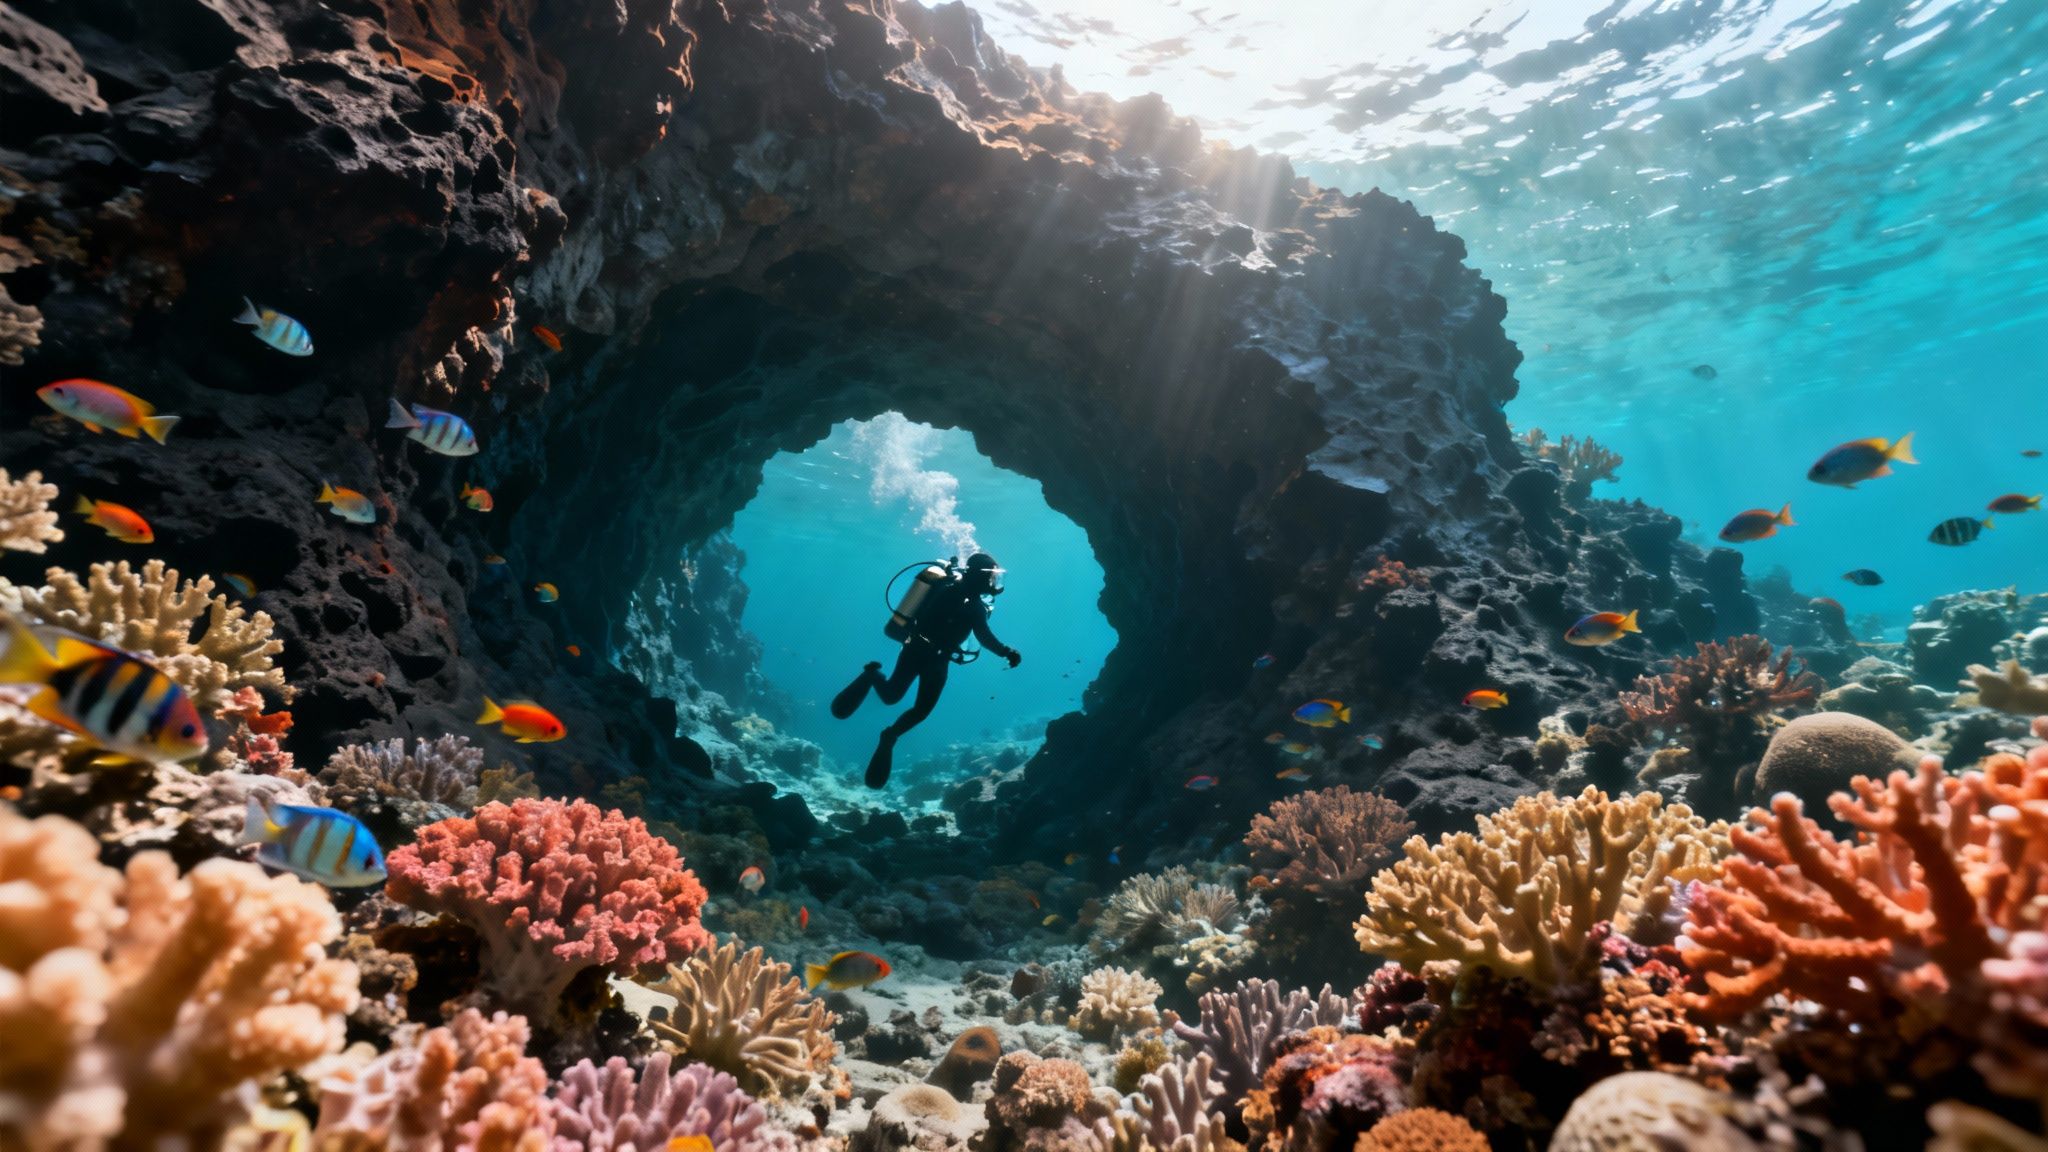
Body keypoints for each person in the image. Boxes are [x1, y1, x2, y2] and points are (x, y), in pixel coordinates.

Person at [832, 553, 1020, 788]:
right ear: (978, 577)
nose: (992, 583)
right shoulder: (974, 607)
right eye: (990, 577)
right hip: (936, 660)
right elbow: (984, 637)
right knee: (920, 710)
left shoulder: (945, 588)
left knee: (892, 696)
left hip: (916, 651)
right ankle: (890, 735)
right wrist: (1007, 652)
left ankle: (872, 677)